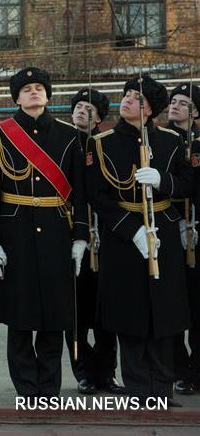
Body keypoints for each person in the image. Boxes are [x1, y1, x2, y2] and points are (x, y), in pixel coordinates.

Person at [0, 67, 89, 397]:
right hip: (16, 234)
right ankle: (27, 389)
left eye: (39, 88)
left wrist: (81, 236)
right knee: (20, 317)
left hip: (57, 232)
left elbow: (80, 192)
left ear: (48, 94)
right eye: (26, 89)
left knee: (53, 318)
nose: (34, 93)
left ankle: (49, 389)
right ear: (16, 97)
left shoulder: (70, 135)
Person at [86, 75, 191, 404]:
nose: (128, 101)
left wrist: (164, 180)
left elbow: (189, 184)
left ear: (150, 110)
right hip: (123, 237)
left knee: (163, 313)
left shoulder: (172, 142)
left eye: (137, 98)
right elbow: (97, 195)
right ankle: (137, 390)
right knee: (129, 314)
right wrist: (131, 230)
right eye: (127, 95)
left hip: (163, 232)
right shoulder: (101, 143)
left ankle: (162, 387)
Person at [64, 88, 124, 395]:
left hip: (105, 237)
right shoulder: (61, 140)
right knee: (75, 313)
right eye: (78, 106)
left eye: (89, 108)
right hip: (71, 235)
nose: (81, 111)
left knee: (105, 312)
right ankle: (84, 372)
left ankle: (108, 372)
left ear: (99, 118)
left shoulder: (106, 145)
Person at [166, 83, 200, 396]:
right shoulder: (160, 139)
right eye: (173, 101)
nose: (174, 106)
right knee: (174, 306)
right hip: (170, 228)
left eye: (183, 102)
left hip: (197, 228)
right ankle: (178, 368)